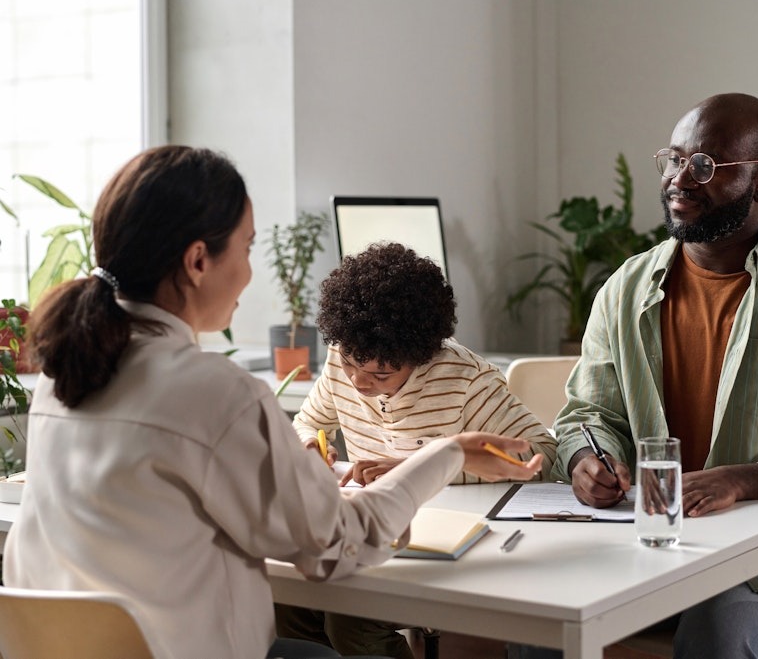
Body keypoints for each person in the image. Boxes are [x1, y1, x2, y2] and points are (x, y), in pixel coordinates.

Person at [0, 145, 543, 659]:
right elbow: (342, 545)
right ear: (197, 261)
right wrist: (448, 453)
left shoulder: (63, 374)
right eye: (248, 246)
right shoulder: (215, 391)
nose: (251, 270)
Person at [540, 93, 758, 659]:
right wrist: (589, 459)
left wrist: (742, 480)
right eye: (674, 160)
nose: (680, 179)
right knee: (540, 618)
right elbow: (589, 413)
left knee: (721, 629)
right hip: (641, 540)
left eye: (704, 166)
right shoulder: (623, 290)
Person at [277, 241, 558, 658]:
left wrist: (422, 467)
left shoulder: (465, 380)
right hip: (369, 535)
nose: (358, 382)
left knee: (351, 616)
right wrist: (306, 446)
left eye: (381, 374)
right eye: (352, 364)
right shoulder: (342, 361)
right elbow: (308, 422)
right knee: (290, 601)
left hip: (445, 540)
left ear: (421, 356)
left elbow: (542, 456)